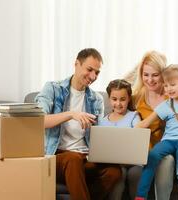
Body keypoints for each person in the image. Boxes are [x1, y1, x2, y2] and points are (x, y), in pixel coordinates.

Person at [35, 48, 122, 200]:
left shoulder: (96, 99)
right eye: (89, 69)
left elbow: (98, 136)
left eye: (97, 72)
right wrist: (71, 114)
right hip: (57, 157)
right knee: (73, 159)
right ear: (76, 64)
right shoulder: (53, 89)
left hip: (84, 158)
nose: (93, 76)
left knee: (114, 172)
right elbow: (39, 121)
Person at [130, 51, 178, 200]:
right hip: (155, 151)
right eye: (146, 74)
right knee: (164, 159)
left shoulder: (174, 95)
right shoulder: (136, 98)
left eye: (155, 75)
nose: (150, 80)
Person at [97, 79, 141, 200]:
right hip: (113, 163)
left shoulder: (134, 116)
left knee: (136, 173)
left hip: (133, 163)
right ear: (109, 99)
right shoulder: (102, 121)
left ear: (128, 99)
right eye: (114, 99)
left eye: (123, 99)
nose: (118, 104)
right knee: (118, 175)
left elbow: (139, 138)